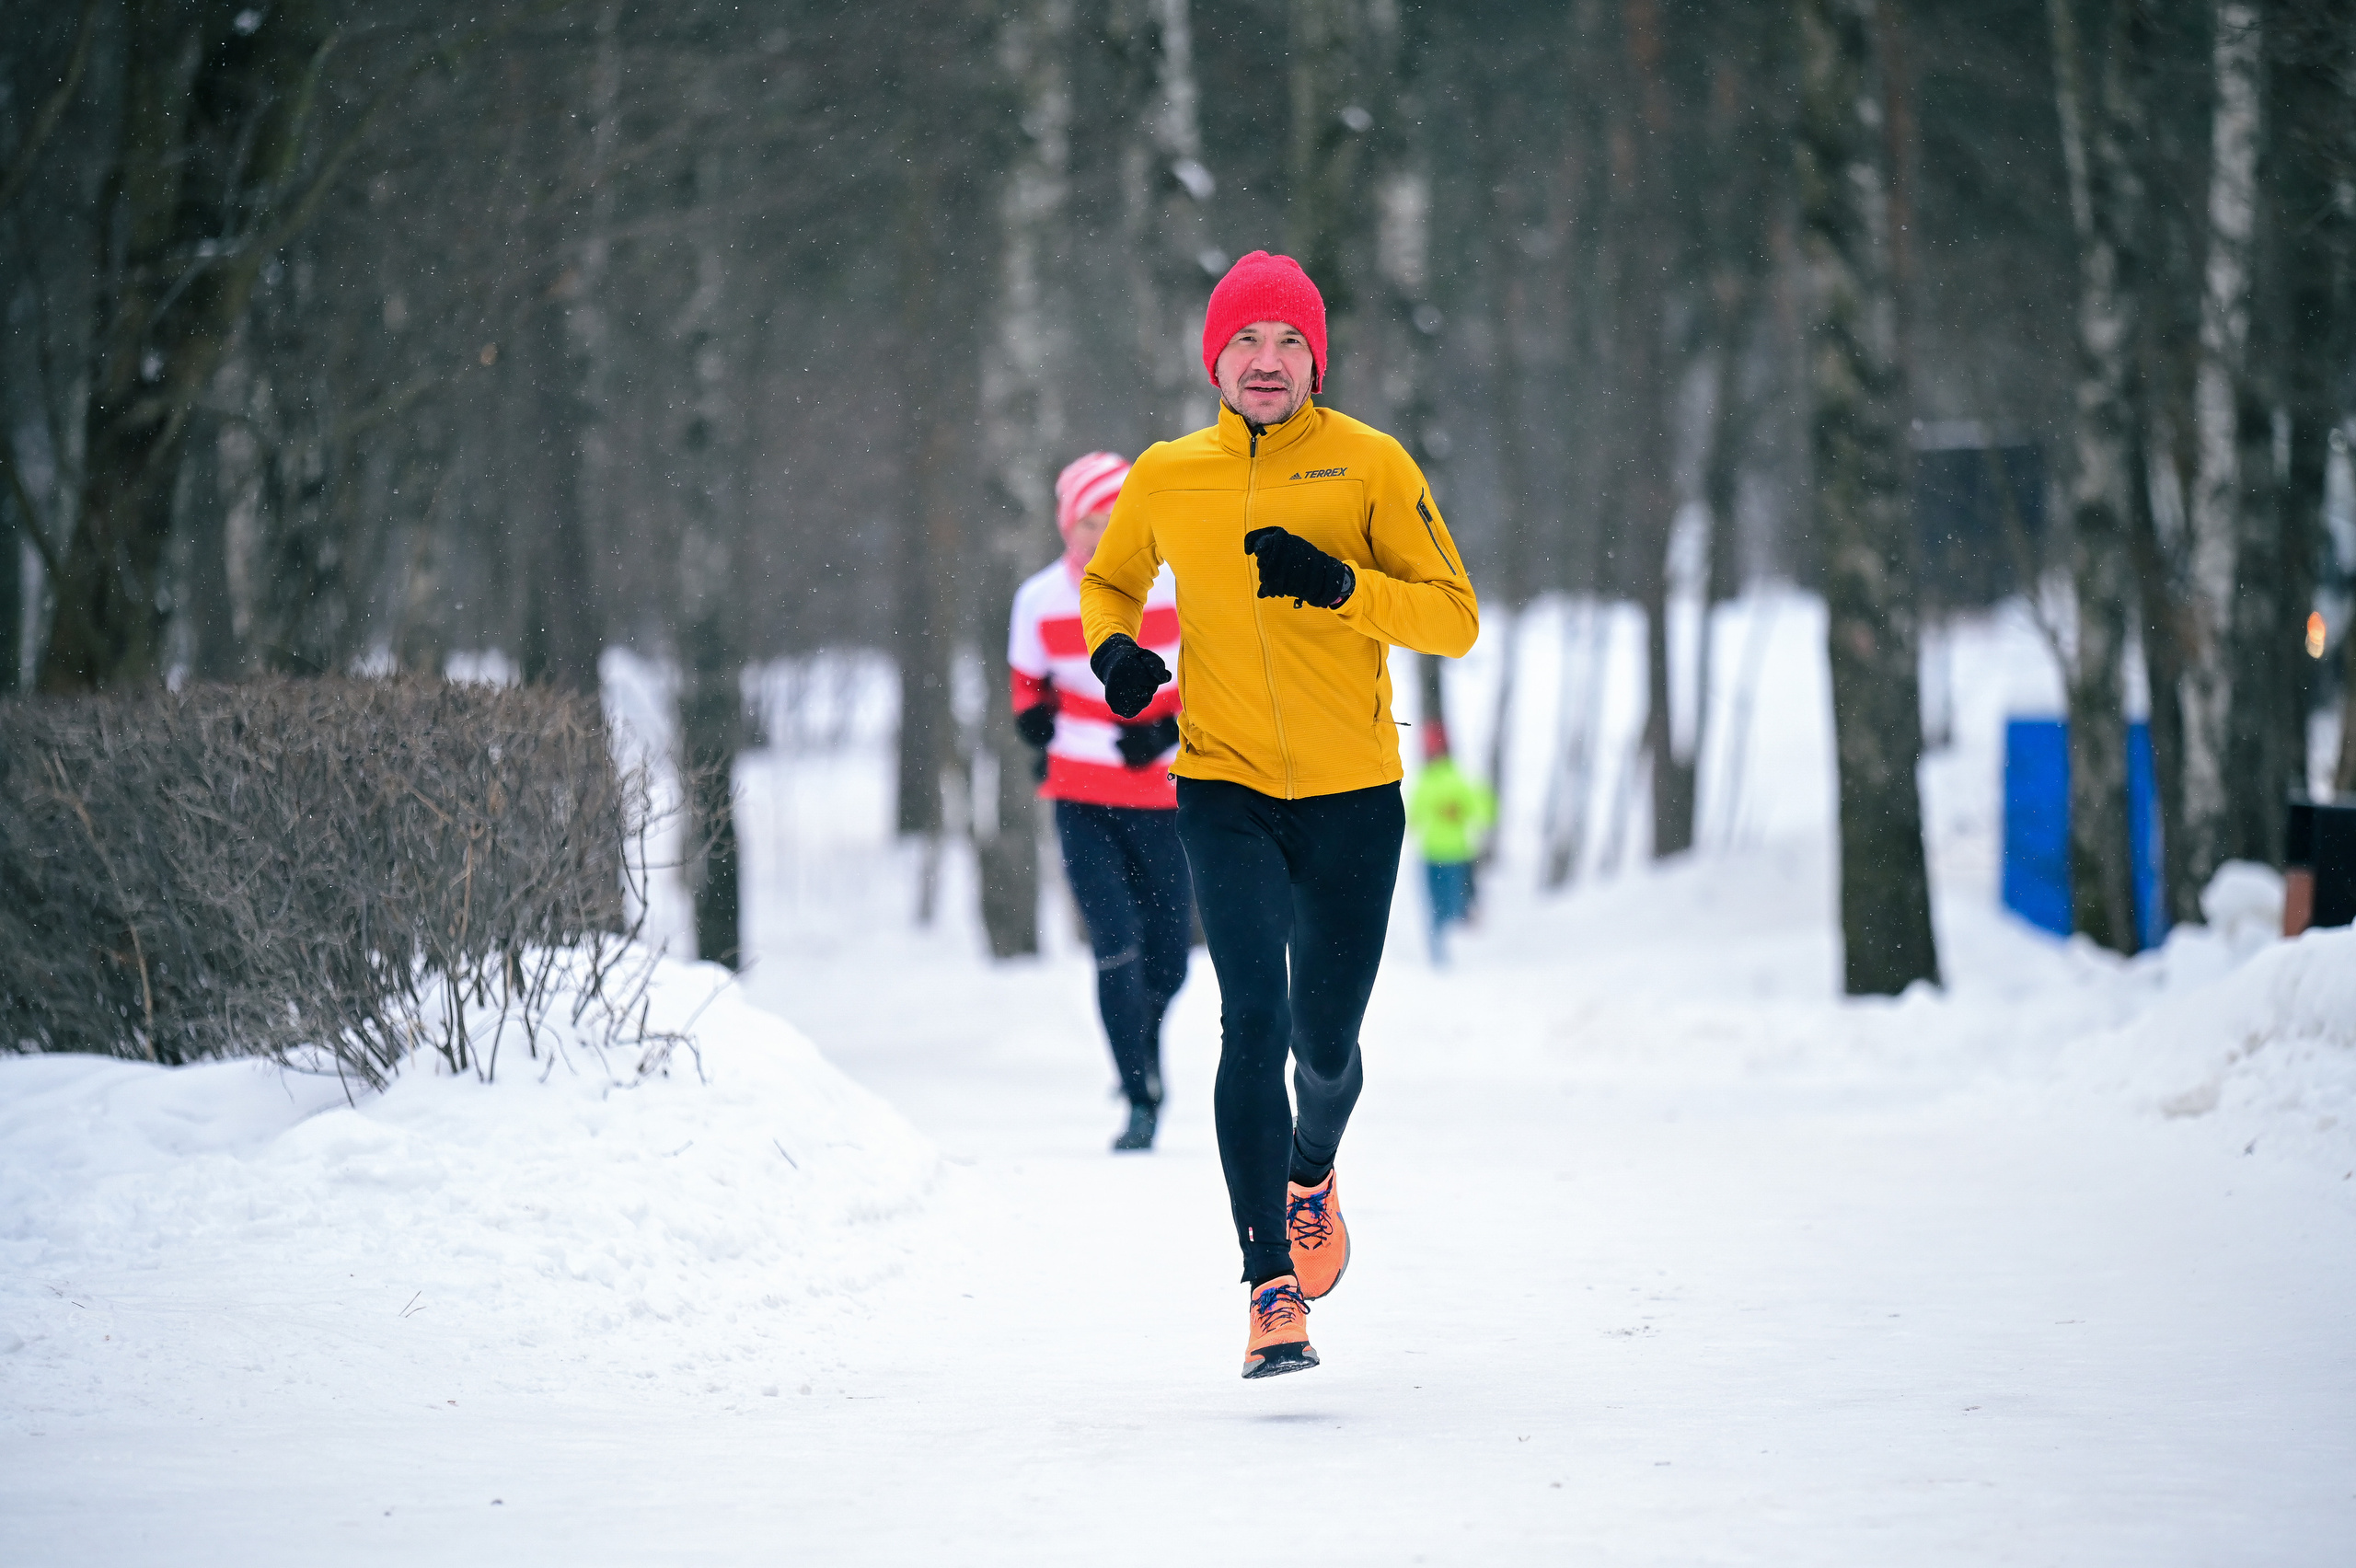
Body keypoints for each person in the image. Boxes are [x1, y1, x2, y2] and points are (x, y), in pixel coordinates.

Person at [1079, 250, 1478, 1378]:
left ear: (1316, 359)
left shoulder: (1368, 466)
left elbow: (1454, 620)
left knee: (1324, 1043)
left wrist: (1343, 587)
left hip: (1355, 799)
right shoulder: (1169, 475)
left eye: (1288, 343)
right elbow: (1111, 581)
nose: (1265, 363)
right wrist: (1115, 647)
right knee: (1249, 1019)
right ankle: (1267, 1286)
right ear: (1214, 358)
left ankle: (1311, 1173)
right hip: (1225, 789)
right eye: (1245, 343)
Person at [1009, 452, 1193, 1153]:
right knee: (1117, 945)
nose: (1104, 530)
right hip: (1082, 795)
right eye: (1091, 519)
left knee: (1170, 961)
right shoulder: (1039, 602)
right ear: (1069, 525)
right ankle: (1140, 1096)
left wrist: (1168, 729)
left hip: (1169, 794)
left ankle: (1140, 1037)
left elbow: (1214, 678)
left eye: (1118, 516)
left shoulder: (1176, 589)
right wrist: (1033, 719)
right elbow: (1028, 683)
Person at [1406, 722, 1496, 965]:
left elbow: (1484, 809)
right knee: (1445, 910)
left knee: (1447, 910)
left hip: (1448, 855)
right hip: (1442, 854)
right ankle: (1442, 960)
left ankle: (1450, 961)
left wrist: (1460, 811)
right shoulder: (1446, 779)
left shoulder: (1450, 778)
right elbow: (1412, 818)